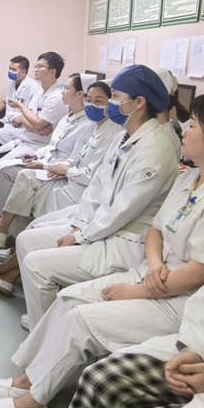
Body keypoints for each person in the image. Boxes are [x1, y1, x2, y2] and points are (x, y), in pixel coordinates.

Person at [0, 94, 204, 408]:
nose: (184, 130)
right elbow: (156, 230)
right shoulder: (188, 177)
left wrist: (137, 289)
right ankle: (28, 379)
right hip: (150, 271)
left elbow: (201, 271)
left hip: (176, 299)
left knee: (80, 320)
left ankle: (34, 401)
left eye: (193, 126)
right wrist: (154, 265)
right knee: (68, 300)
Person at [16, 64, 180, 329]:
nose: (110, 104)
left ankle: (46, 331)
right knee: (26, 240)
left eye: (115, 96)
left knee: (36, 264)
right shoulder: (123, 136)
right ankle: (45, 326)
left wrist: (80, 236)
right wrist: (78, 226)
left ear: (139, 102)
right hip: (98, 229)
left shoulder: (155, 149)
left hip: (123, 242)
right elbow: (97, 188)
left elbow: (123, 209)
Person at [0, 81, 121, 296]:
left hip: (77, 191)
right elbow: (75, 158)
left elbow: (91, 175)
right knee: (24, 185)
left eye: (100, 101)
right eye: (89, 100)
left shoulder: (110, 132)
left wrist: (60, 169)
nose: (92, 105)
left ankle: (7, 265)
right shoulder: (96, 128)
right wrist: (52, 166)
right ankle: (8, 259)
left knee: (28, 196)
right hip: (69, 181)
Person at [67, 255, 204, 408]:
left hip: (174, 297)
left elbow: (198, 272)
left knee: (78, 318)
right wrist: (194, 349)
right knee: (99, 378)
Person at [0, 72, 92, 248]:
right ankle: (3, 226)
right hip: (42, 156)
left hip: (57, 172)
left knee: (9, 174)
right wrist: (37, 155)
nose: (63, 91)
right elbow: (51, 144)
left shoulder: (87, 125)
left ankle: (4, 229)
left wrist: (43, 164)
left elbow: (71, 160)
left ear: (80, 94)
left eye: (67, 88)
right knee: (4, 169)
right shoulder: (67, 118)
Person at [0, 52, 70, 179]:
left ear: (53, 72)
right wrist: (34, 126)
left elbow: (36, 123)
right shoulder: (41, 93)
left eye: (40, 66)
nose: (36, 69)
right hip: (27, 139)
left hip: (38, 146)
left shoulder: (56, 97)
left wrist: (21, 107)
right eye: (36, 66)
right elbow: (27, 119)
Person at [0, 56, 41, 167]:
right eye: (9, 68)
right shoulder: (12, 82)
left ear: (24, 72)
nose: (10, 71)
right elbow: (5, 100)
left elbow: (35, 112)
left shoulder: (34, 88)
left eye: (14, 69)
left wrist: (21, 117)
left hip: (20, 126)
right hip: (8, 121)